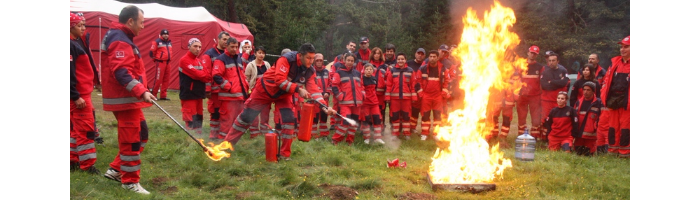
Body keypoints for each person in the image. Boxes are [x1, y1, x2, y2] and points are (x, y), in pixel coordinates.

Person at [223, 43, 336, 160]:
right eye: (308, 58)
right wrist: (298, 89)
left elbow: (314, 90)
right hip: (264, 91)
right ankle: (226, 147)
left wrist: (324, 106)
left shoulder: (310, 71)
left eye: (312, 58)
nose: (311, 61)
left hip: (284, 96)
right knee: (246, 118)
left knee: (289, 121)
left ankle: (284, 155)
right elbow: (280, 81)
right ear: (300, 55)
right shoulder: (286, 59)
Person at [100, 5, 156, 194]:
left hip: (130, 99)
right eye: (141, 23)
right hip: (125, 100)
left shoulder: (122, 37)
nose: (143, 27)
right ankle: (130, 182)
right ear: (130, 21)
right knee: (132, 139)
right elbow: (122, 72)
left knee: (142, 135)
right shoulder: (119, 39)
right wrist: (141, 91)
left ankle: (116, 170)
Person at [70, 12, 100, 174]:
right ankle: (87, 165)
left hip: (81, 93)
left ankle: (73, 159)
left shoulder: (76, 43)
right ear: (71, 26)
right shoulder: (71, 45)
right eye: (80, 25)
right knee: (86, 130)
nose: (83, 28)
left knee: (75, 130)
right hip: (80, 95)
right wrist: (75, 96)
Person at [212, 38, 249, 140]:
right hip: (228, 98)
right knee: (226, 123)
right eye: (232, 47)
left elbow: (241, 76)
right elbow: (216, 76)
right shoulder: (221, 59)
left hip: (239, 97)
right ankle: (222, 144)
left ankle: (232, 143)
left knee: (237, 123)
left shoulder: (238, 58)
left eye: (236, 47)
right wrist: (229, 87)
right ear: (227, 46)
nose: (234, 49)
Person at [600, 35, 630, 158]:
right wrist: (604, 97)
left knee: (625, 127)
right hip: (613, 100)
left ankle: (624, 153)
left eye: (626, 47)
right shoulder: (615, 63)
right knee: (612, 127)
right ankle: (612, 152)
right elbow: (607, 82)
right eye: (621, 47)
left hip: (627, 101)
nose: (622, 49)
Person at [178, 38, 211, 135]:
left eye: (200, 47)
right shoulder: (184, 60)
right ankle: (190, 141)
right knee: (191, 120)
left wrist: (201, 75)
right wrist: (201, 75)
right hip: (189, 94)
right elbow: (198, 75)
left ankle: (198, 141)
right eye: (195, 46)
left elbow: (207, 76)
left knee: (199, 118)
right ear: (189, 47)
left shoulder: (199, 61)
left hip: (198, 94)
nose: (198, 49)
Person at [201, 31, 230, 140]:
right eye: (224, 39)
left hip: (226, 90)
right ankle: (213, 135)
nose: (226, 42)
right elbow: (206, 73)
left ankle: (223, 134)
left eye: (228, 39)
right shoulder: (209, 54)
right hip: (215, 90)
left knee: (225, 113)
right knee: (215, 112)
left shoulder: (228, 54)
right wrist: (207, 89)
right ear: (218, 39)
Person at [416, 50, 451, 141]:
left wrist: (443, 92)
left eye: (434, 57)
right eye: (430, 56)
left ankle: (436, 133)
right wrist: (421, 94)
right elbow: (417, 81)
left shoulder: (443, 69)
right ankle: (424, 133)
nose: (432, 58)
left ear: (437, 58)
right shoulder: (422, 68)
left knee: (438, 116)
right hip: (426, 96)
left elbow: (447, 82)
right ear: (429, 57)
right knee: (425, 115)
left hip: (438, 96)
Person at [331, 53, 365, 145]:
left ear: (354, 62)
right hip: (345, 103)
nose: (350, 62)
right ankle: (335, 140)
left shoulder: (357, 73)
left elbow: (361, 86)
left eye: (352, 61)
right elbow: (334, 86)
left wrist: (362, 94)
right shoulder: (339, 72)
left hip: (357, 103)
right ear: (344, 61)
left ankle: (350, 141)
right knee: (345, 122)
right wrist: (340, 96)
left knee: (353, 123)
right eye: (348, 60)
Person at [385, 53, 418, 140]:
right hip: (394, 99)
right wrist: (387, 97)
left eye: (402, 59)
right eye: (399, 59)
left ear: (405, 60)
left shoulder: (410, 71)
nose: (400, 61)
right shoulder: (392, 71)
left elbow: (413, 85)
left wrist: (414, 97)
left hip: (406, 99)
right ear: (396, 60)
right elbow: (388, 85)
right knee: (395, 116)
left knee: (406, 117)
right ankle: (395, 134)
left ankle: (407, 134)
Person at [540, 52, 570, 140]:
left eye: (553, 60)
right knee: (545, 119)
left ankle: (558, 136)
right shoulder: (545, 71)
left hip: (558, 100)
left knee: (558, 119)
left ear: (558, 61)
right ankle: (545, 138)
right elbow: (544, 85)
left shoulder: (563, 70)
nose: (551, 62)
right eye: (549, 61)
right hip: (547, 100)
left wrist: (551, 82)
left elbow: (564, 82)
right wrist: (557, 83)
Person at [516, 45, 544, 138]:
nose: (533, 55)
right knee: (521, 117)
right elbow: (516, 80)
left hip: (535, 96)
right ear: (528, 52)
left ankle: (534, 137)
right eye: (531, 53)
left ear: (537, 55)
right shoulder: (521, 65)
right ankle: (521, 136)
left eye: (535, 54)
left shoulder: (540, 67)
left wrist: (540, 94)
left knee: (535, 117)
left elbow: (541, 82)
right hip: (522, 96)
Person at [245, 46, 272, 138]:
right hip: (254, 92)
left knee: (265, 113)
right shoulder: (250, 65)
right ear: (255, 53)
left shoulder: (267, 65)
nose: (261, 55)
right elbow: (247, 78)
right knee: (254, 113)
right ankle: (254, 133)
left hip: (266, 93)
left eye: (263, 53)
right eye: (259, 52)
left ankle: (264, 132)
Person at [572, 82, 602, 156]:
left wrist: (595, 127)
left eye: (588, 90)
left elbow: (601, 117)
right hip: (579, 135)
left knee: (588, 155)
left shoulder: (598, 103)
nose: (585, 92)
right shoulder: (578, 102)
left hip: (591, 136)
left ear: (593, 91)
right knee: (577, 155)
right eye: (584, 89)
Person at [360, 63, 385, 144]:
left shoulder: (374, 79)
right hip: (365, 103)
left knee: (377, 119)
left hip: (374, 103)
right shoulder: (361, 79)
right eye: (367, 69)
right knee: (366, 120)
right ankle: (366, 138)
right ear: (364, 70)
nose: (369, 71)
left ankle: (377, 137)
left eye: (370, 69)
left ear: (373, 71)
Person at [311, 53, 333, 139]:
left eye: (320, 60)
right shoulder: (312, 72)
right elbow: (312, 85)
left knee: (324, 116)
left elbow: (330, 83)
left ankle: (324, 134)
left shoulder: (327, 72)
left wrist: (328, 92)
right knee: (315, 117)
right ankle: (314, 135)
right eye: (317, 61)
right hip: (316, 99)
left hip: (325, 99)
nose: (319, 62)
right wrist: (321, 93)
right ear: (314, 61)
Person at [148, 28, 173, 100]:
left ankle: (163, 95)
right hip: (160, 62)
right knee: (158, 79)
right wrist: (155, 60)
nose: (165, 35)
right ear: (161, 35)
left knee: (166, 80)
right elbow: (151, 52)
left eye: (167, 34)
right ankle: (154, 95)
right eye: (164, 34)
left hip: (168, 63)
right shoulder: (157, 42)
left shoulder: (169, 42)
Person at [407, 48, 426, 134]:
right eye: (418, 53)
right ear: (415, 54)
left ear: (424, 56)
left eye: (422, 54)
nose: (420, 55)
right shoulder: (408, 63)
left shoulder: (425, 65)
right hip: (409, 90)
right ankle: (405, 127)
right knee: (408, 110)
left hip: (420, 91)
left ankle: (413, 127)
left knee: (416, 110)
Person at [369, 47, 388, 125]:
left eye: (378, 53)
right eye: (375, 53)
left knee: (381, 111)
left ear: (381, 55)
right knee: (370, 111)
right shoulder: (368, 65)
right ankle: (370, 128)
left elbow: (388, 79)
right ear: (372, 54)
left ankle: (381, 128)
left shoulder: (385, 67)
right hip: (371, 93)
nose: (376, 55)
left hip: (381, 94)